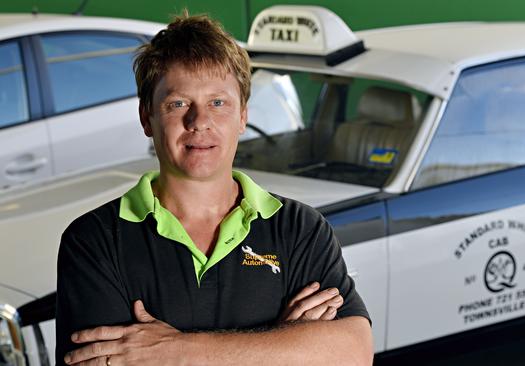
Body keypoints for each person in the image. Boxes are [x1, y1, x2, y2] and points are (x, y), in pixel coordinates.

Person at [55, 10, 372, 366]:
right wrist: (282, 346)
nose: (199, 121)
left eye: (217, 103)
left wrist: (173, 351)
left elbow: (354, 354)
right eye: (178, 104)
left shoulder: (301, 230)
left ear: (242, 116)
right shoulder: (94, 241)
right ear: (147, 117)